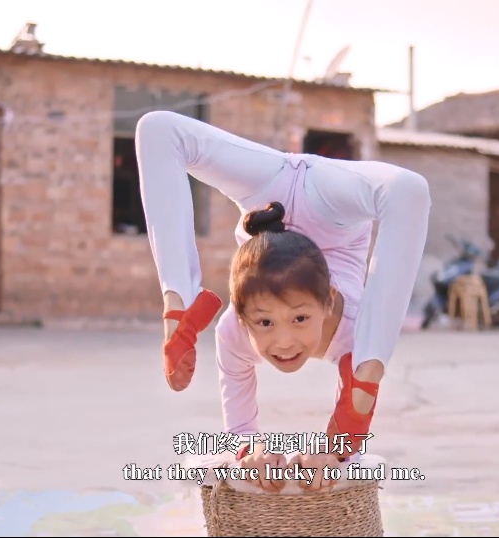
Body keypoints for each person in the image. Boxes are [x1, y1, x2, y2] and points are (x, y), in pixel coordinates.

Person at [136, 110, 431, 493]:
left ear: (329, 302)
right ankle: (180, 302)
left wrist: (336, 452)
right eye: (265, 322)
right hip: (305, 199)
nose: (284, 341)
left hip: (303, 199)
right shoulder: (233, 332)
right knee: (156, 128)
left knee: (409, 189)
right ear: (242, 315)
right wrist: (251, 452)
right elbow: (240, 434)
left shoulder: (357, 329)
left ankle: (367, 374)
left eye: (300, 318)